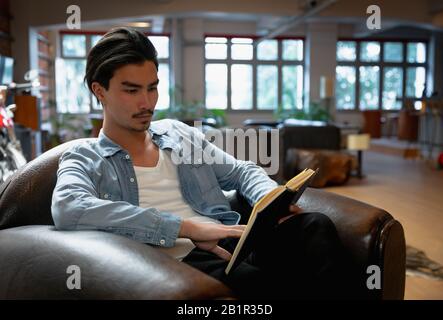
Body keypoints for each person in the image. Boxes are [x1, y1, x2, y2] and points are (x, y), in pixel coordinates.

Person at [51, 27, 354, 299]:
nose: (147, 103)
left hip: (233, 239)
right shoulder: (84, 157)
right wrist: (185, 228)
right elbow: (69, 208)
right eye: (132, 90)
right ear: (99, 91)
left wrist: (269, 201)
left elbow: (241, 171)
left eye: (152, 87)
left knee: (315, 226)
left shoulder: (178, 133)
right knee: (260, 284)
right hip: (176, 262)